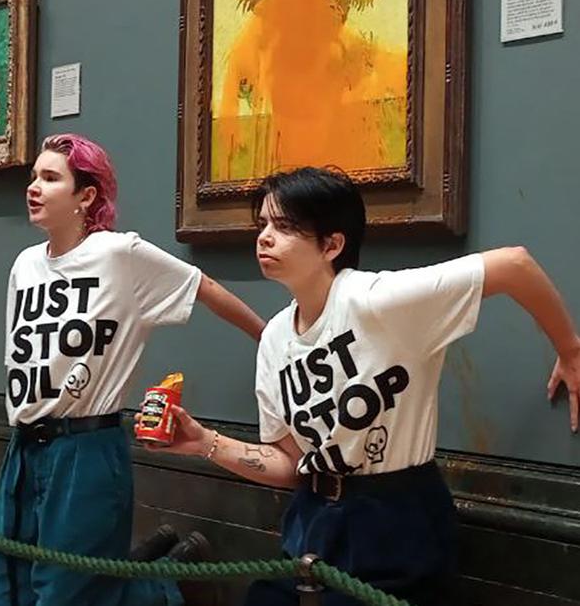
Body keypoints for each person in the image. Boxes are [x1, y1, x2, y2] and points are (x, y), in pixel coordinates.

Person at [142, 166, 580, 606]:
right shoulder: (276, 337)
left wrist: (571, 351)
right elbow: (291, 465)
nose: (265, 237)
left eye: (285, 226)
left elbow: (514, 264)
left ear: (332, 244)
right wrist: (204, 442)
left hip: (397, 516)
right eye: (264, 224)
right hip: (314, 519)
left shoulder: (378, 301)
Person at [0, 133, 265, 606]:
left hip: (85, 448)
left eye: (50, 178)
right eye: (34, 176)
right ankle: (161, 563)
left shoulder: (118, 254)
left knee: (68, 591)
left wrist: (272, 340)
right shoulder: (24, 265)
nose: (33, 187)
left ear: (86, 195)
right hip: (24, 448)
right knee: (5, 579)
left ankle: (170, 583)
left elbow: (203, 286)